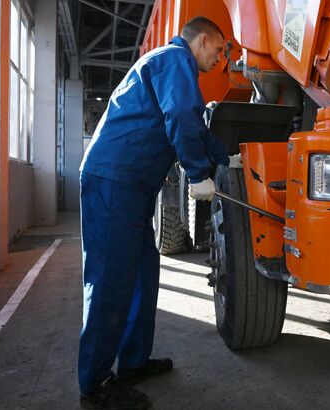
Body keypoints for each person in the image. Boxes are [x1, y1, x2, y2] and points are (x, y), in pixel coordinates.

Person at [78, 16, 234, 410]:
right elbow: (180, 118)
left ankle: (131, 363)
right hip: (115, 179)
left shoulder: (174, 67)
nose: (221, 59)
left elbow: (193, 126)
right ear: (202, 40)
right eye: (219, 50)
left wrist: (226, 158)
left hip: (135, 185)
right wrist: (198, 173)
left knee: (143, 275)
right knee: (111, 278)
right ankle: (94, 385)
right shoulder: (174, 60)